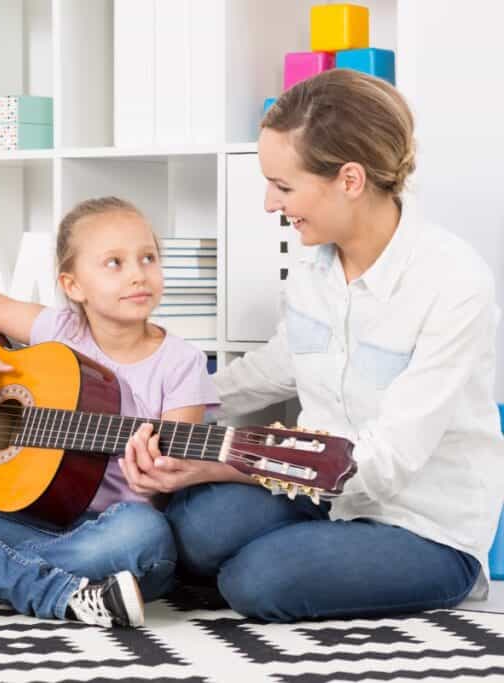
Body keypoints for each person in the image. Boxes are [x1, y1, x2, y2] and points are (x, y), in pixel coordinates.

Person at [122, 68, 503, 622]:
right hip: (323, 500)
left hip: (422, 525)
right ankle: (291, 561)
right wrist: (166, 405)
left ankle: (410, 578)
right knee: (197, 532)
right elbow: (276, 367)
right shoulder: (313, 268)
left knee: (259, 580)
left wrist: (222, 462)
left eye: (283, 185)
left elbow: (383, 463)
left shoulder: (454, 283)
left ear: (349, 179)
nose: (269, 204)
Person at [0, 196, 220, 627]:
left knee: (145, 537)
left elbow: (167, 477)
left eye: (148, 258)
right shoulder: (60, 330)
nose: (137, 274)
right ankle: (55, 591)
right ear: (73, 286)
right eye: (114, 263)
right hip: (27, 518)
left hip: (105, 532)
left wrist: (154, 472)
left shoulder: (182, 362)